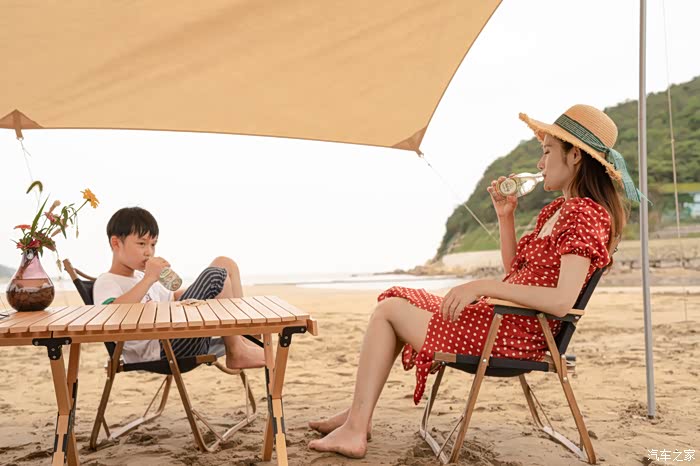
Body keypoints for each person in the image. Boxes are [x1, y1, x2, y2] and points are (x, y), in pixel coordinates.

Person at [308, 104, 641, 458]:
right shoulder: (558, 211)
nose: (540, 162)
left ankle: (356, 425)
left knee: (389, 310)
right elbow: (517, 270)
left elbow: (562, 300)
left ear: (575, 156)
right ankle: (358, 415)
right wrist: (505, 217)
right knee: (395, 299)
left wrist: (482, 286)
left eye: (547, 152)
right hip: (503, 321)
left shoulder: (583, 214)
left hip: (511, 334)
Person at [93, 207, 264, 369]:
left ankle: (243, 338)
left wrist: (200, 292)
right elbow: (112, 316)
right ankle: (236, 351)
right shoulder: (107, 281)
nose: (149, 252)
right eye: (141, 243)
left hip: (178, 338)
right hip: (161, 351)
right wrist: (149, 278)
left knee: (225, 263)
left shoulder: (140, 277)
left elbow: (173, 298)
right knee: (215, 276)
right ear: (116, 243)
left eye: (153, 244)